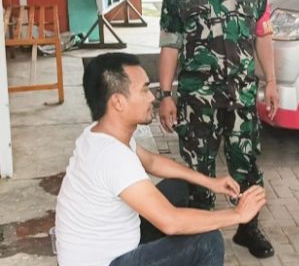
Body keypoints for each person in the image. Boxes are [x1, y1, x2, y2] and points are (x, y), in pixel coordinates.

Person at [55, 52, 266, 266]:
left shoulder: (99, 133)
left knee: (178, 187)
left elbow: (153, 162)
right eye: (144, 89)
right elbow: (170, 222)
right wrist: (237, 215)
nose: (152, 97)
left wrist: (211, 182)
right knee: (208, 241)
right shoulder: (113, 157)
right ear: (118, 102)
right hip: (108, 262)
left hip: (110, 247)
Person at [158, 0, 279, 258]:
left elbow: (263, 35)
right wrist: (165, 95)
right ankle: (200, 237)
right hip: (198, 100)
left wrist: (270, 81)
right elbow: (169, 45)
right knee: (198, 169)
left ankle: (248, 229)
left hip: (241, 97)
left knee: (247, 165)